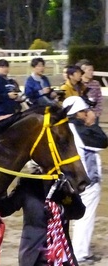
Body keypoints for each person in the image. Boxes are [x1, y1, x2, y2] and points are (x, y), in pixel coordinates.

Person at [0, 177, 85, 266]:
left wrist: (64, 206)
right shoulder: (27, 184)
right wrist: (2, 184)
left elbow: (79, 212)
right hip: (33, 255)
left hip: (61, 254)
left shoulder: (64, 184)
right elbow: (4, 209)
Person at [62, 96, 108, 265]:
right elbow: (103, 142)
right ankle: (80, 254)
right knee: (85, 218)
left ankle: (79, 251)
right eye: (84, 111)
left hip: (72, 180)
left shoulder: (66, 127)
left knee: (76, 217)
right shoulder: (78, 128)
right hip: (86, 180)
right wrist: (93, 123)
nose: (88, 113)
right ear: (77, 113)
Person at [76, 59, 103, 124]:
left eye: (92, 70)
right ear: (82, 71)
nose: (92, 72)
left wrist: (97, 113)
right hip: (82, 116)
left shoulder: (96, 83)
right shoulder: (77, 85)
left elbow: (99, 99)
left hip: (95, 115)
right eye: (89, 70)